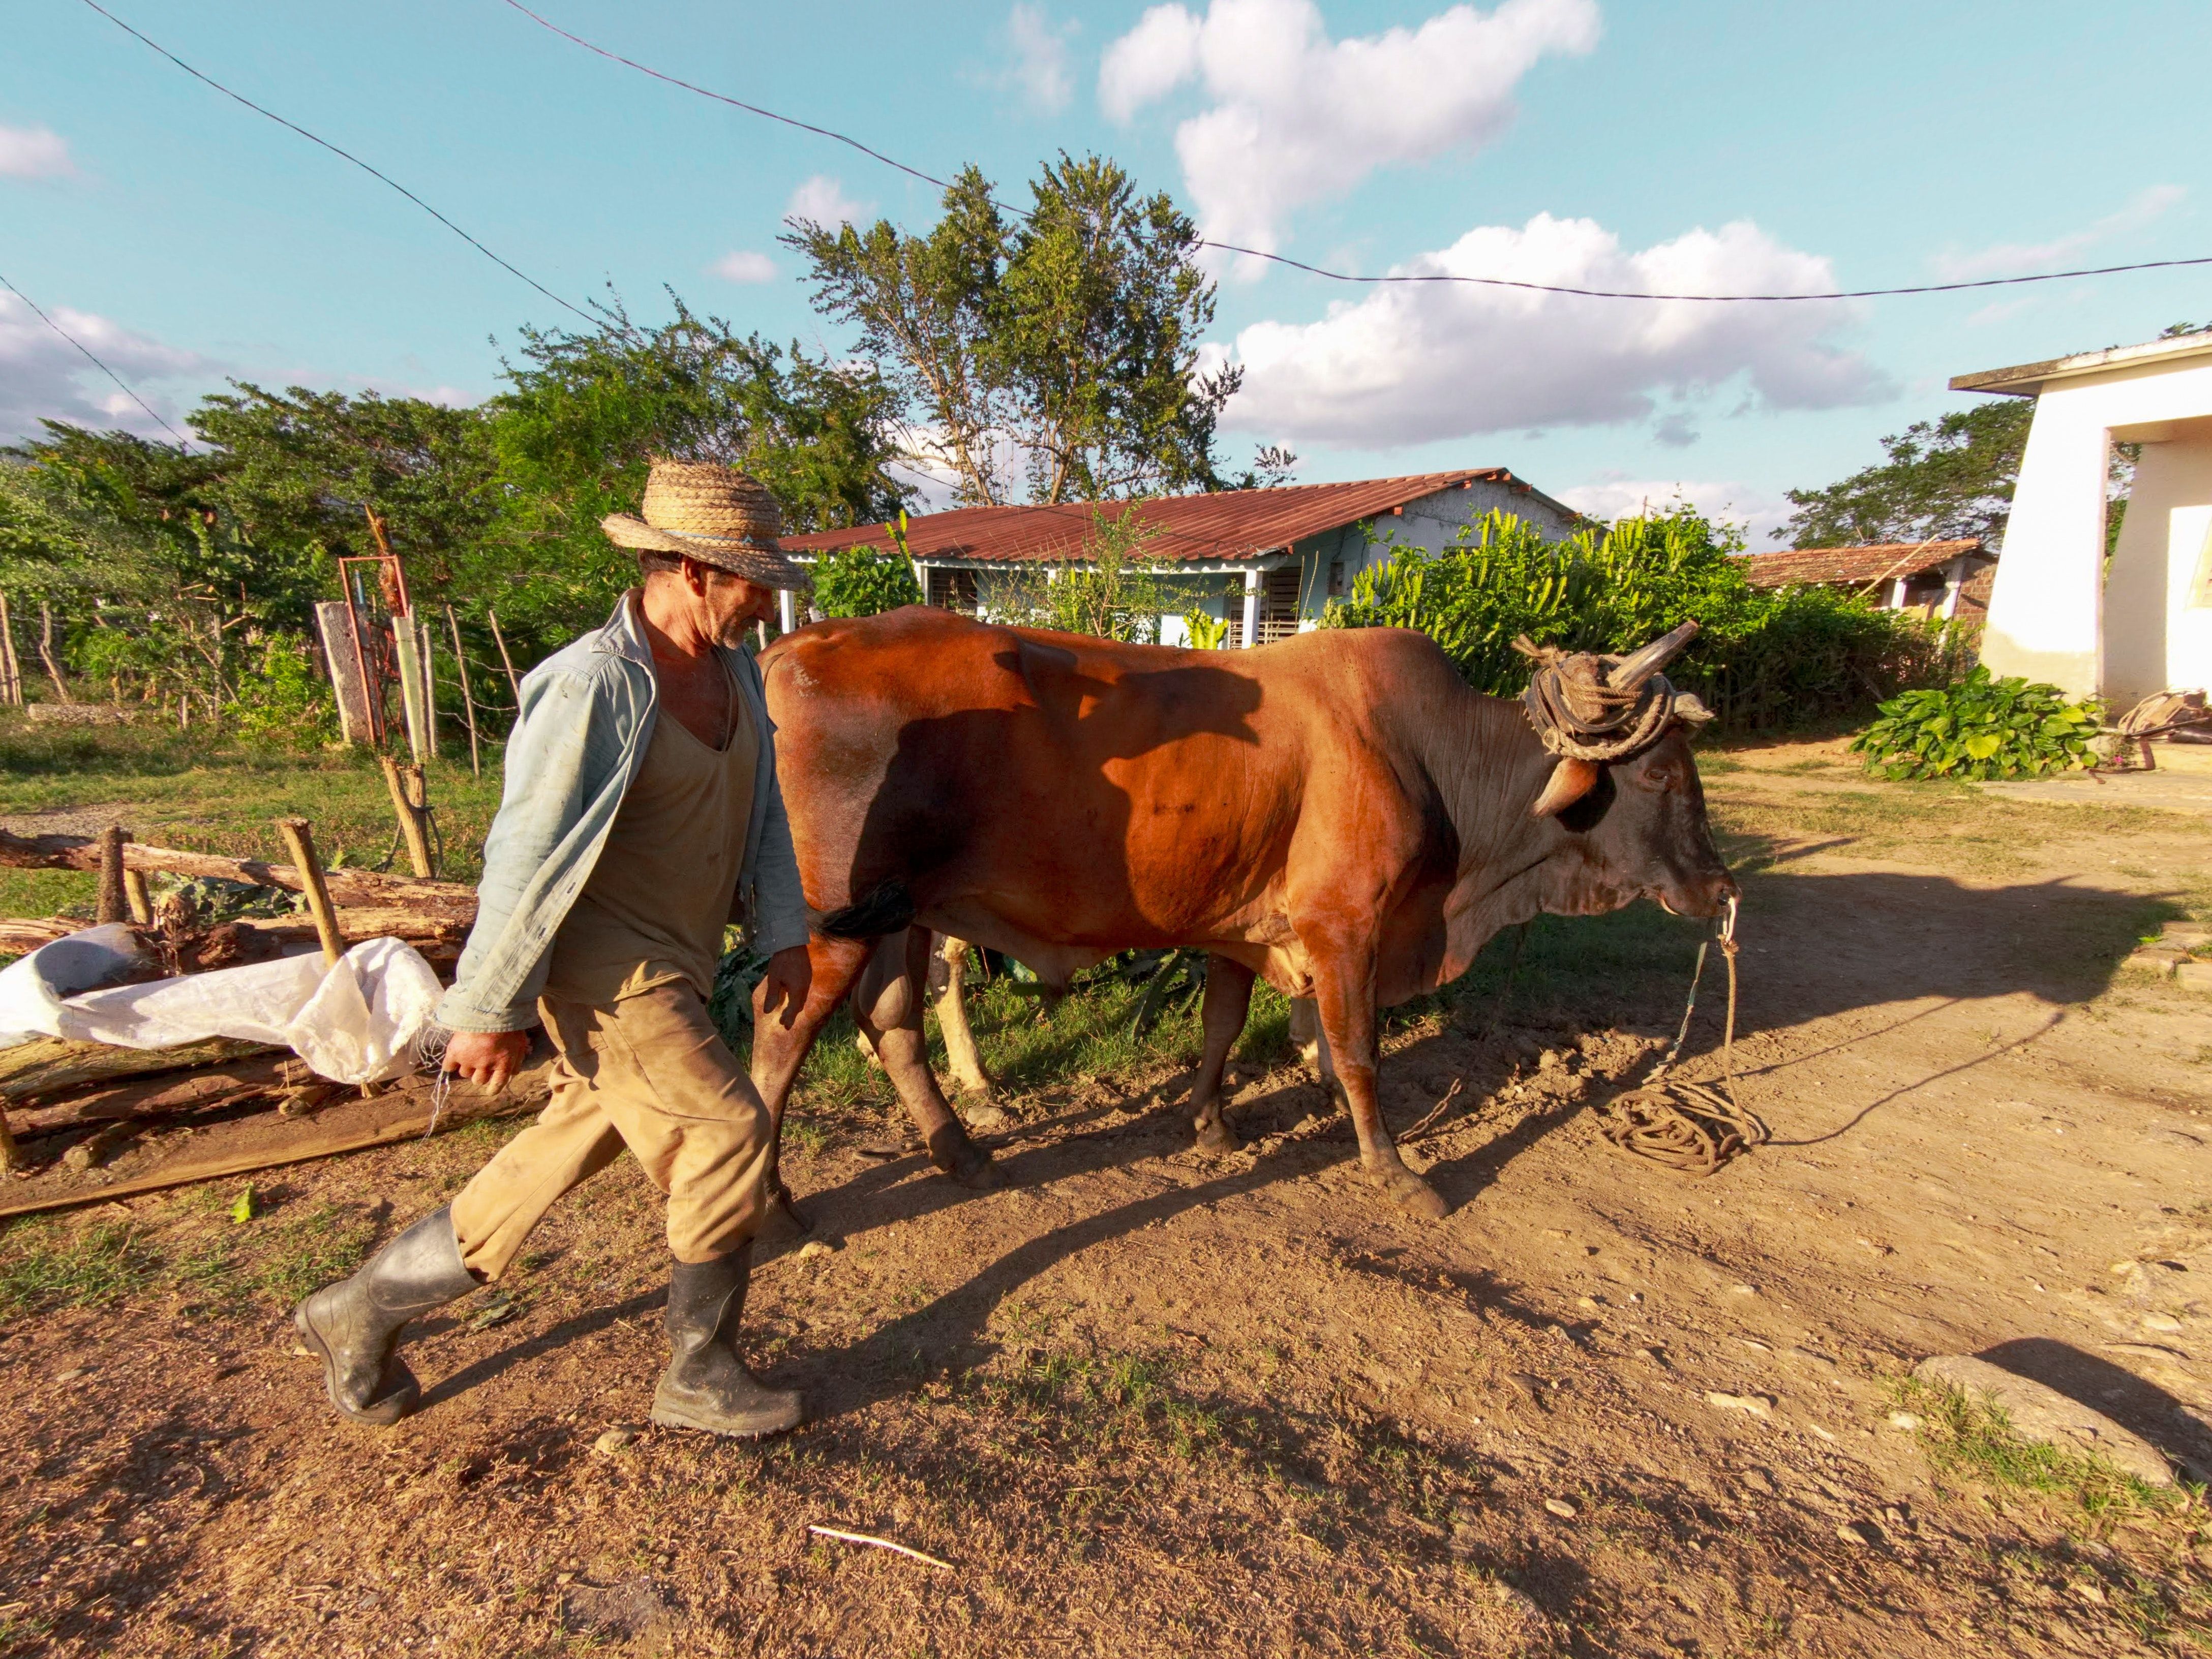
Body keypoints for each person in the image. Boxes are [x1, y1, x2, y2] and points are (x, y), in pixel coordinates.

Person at [294, 459, 817, 1439]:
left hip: (680, 959)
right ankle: (700, 1375)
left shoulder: (735, 673)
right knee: (729, 1129)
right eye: (752, 579)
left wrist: (785, 935)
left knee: (561, 1148)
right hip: (603, 966)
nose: (764, 600)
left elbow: (767, 816)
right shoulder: (593, 684)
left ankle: (356, 1311)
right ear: (692, 569)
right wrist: (486, 1008)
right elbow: (524, 852)